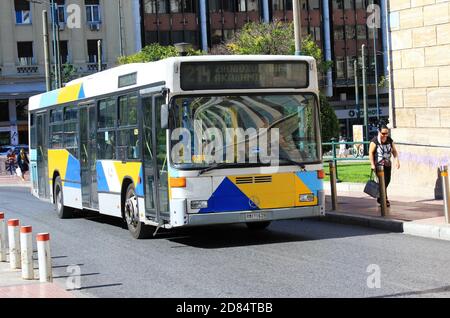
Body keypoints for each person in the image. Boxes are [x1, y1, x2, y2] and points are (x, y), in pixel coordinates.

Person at [368, 124, 400, 207]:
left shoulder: (389, 140)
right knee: (382, 182)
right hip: (379, 165)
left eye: (387, 133)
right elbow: (371, 153)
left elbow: (394, 151)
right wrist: (372, 164)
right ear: (379, 132)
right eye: (383, 133)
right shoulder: (374, 141)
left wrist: (397, 160)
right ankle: (384, 199)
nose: (385, 135)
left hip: (388, 164)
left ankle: (380, 197)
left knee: (387, 181)